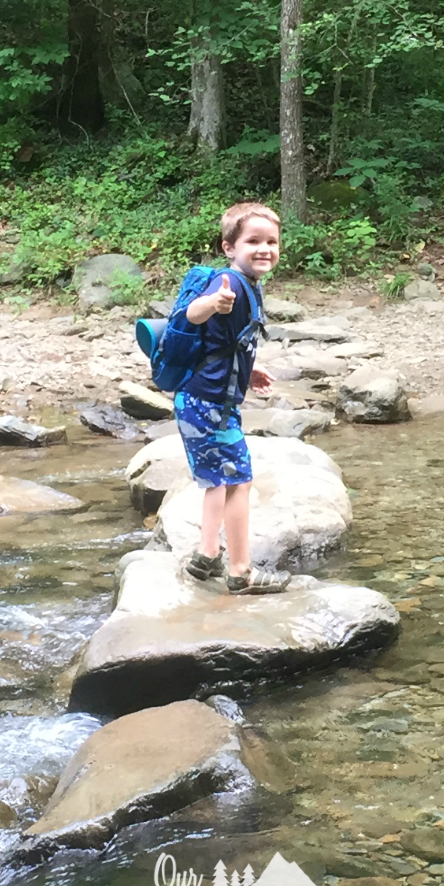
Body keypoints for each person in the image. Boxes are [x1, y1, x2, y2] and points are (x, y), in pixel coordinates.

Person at [172, 202, 286, 595]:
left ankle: (206, 556)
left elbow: (225, 341)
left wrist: (247, 370)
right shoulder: (230, 283)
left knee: (217, 481)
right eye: (253, 241)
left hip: (202, 400)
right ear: (228, 247)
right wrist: (213, 304)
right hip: (208, 405)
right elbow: (194, 314)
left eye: (271, 241)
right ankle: (240, 572)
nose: (264, 249)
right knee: (239, 482)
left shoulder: (250, 284)